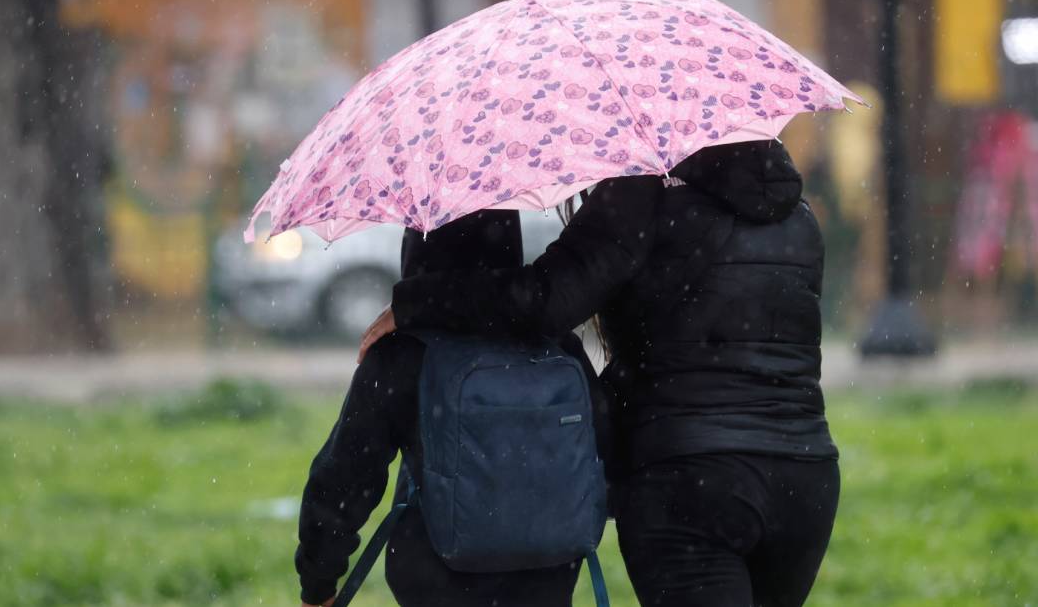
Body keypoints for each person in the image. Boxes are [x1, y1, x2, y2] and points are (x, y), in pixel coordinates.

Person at [360, 140, 841, 607]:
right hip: (805, 479)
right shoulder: (799, 218)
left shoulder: (642, 195)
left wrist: (416, 301)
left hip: (688, 479)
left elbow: (545, 302)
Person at [295, 210, 608, 607]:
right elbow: (602, 444)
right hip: (546, 572)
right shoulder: (556, 344)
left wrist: (318, 581)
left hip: (436, 577)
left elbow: (345, 476)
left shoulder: (404, 353)